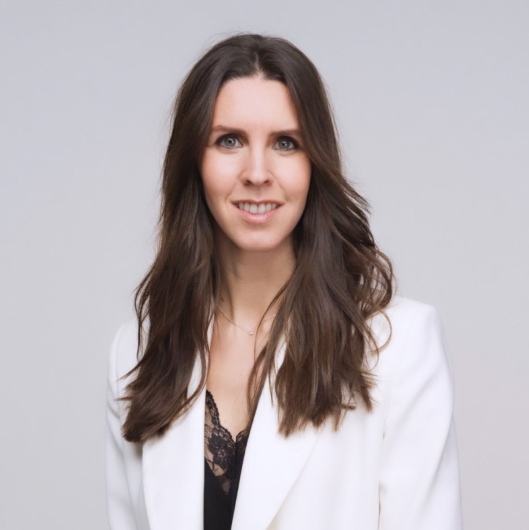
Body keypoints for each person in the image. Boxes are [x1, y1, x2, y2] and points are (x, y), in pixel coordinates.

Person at [106, 33, 462, 530]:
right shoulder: (137, 353)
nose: (257, 172)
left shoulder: (398, 347)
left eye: (286, 143)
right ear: (194, 160)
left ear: (315, 162)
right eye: (229, 140)